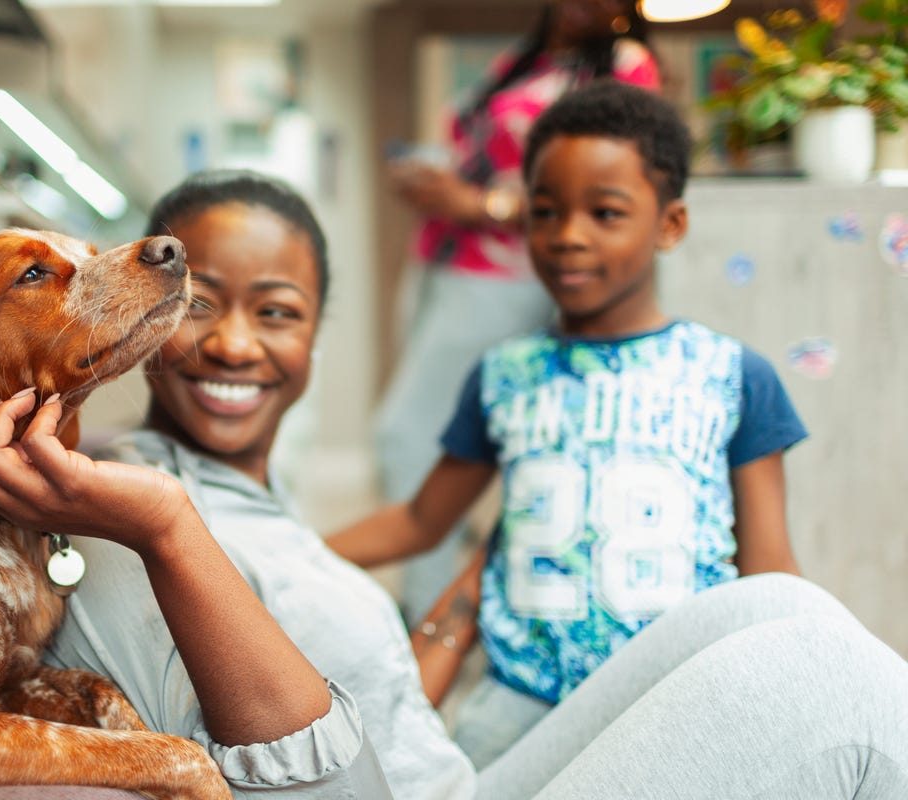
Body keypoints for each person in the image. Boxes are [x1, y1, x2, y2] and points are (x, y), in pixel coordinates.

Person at [0, 169, 908, 799]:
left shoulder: (249, 509)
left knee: (777, 603)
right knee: (832, 682)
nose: (234, 343)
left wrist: (465, 598)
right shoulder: (116, 499)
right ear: (141, 313)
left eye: (276, 311)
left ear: (315, 333)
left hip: (464, 781)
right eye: (195, 306)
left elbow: (382, 700)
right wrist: (156, 524)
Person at [330, 80, 810, 763]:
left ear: (670, 225)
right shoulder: (504, 374)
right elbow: (421, 522)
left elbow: (770, 569)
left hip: (681, 695)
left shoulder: (734, 376)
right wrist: (280, 554)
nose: (567, 237)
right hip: (518, 705)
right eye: (546, 212)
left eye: (605, 213)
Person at [377, 0, 664, 625]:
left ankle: (437, 620)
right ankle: (452, 604)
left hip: (506, 273)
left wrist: (482, 205)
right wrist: (435, 183)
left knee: (406, 438)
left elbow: (613, 184)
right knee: (437, 442)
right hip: (441, 261)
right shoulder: (522, 62)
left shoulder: (624, 66)